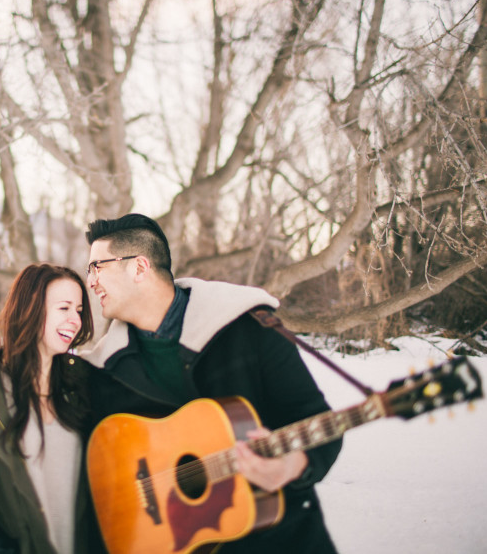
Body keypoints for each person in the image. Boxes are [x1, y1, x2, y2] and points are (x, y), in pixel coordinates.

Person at [82, 213, 342, 553]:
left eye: (97, 267)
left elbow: (315, 419)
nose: (91, 282)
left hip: (283, 539)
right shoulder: (107, 370)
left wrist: (293, 465)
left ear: (139, 268)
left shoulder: (248, 327)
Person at [0, 263, 104, 554]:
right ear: (31, 308)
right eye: (64, 308)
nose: (75, 320)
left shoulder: (83, 384)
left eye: (79, 310)